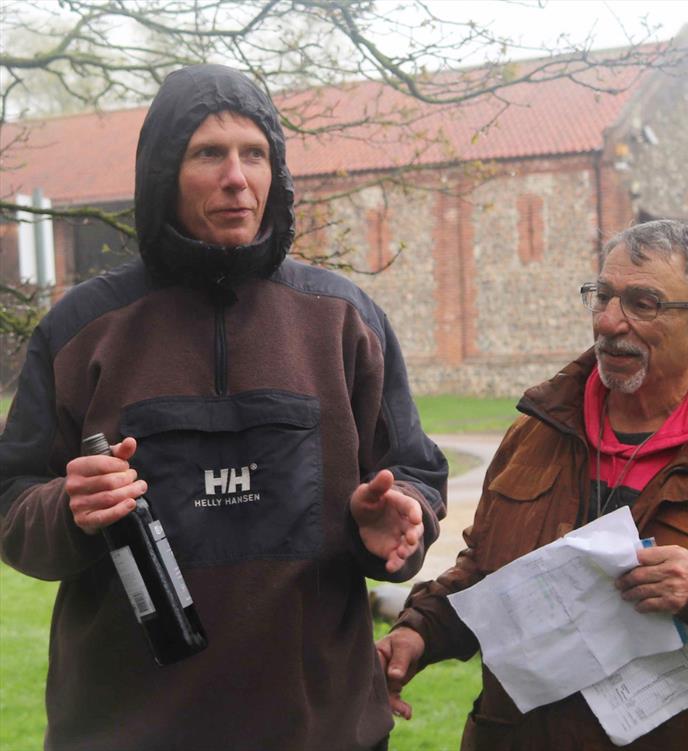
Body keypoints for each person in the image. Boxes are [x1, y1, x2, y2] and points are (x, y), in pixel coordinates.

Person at [0, 64, 447, 751]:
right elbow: (11, 499)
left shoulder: (344, 321)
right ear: (162, 173)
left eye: (255, 153)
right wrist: (68, 508)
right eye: (209, 153)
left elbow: (415, 475)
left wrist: (397, 522)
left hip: (319, 728)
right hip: (126, 730)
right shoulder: (81, 329)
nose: (237, 177)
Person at [377, 219, 688, 751]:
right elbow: (487, 573)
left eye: (643, 303)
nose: (608, 321)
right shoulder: (536, 432)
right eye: (602, 295)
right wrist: (421, 631)